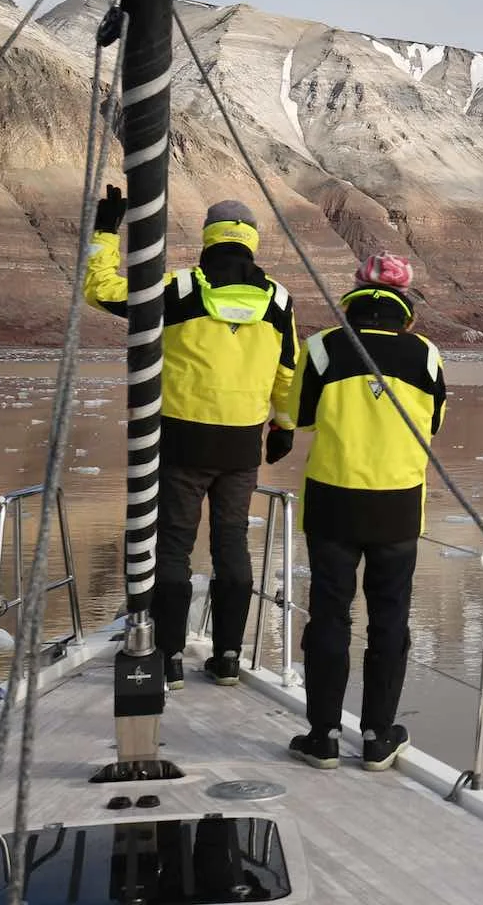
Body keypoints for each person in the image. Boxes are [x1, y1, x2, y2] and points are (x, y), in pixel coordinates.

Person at [84, 190, 302, 689]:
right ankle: (228, 657)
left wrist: (104, 231)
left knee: (173, 548)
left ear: (208, 238)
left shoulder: (178, 290)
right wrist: (283, 427)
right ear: (251, 242)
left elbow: (101, 292)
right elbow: (287, 374)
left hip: (182, 441)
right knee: (232, 547)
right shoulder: (279, 300)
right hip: (242, 445)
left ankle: (170, 657)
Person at [288, 252, 447, 771]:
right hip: (398, 506)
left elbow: (298, 416)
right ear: (405, 304)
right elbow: (435, 424)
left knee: (330, 614)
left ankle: (323, 735)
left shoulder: (321, 348)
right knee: (390, 618)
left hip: (334, 502)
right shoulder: (426, 356)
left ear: (354, 298)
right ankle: (378, 736)